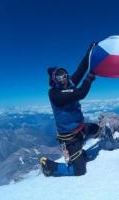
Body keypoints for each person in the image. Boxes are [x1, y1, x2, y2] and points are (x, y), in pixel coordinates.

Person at [40, 42, 103, 177]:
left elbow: (82, 68)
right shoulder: (54, 94)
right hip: (69, 138)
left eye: (64, 74)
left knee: (96, 129)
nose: (63, 78)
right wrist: (89, 79)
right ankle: (49, 166)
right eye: (59, 76)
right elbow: (81, 93)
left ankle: (82, 152)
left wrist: (90, 51)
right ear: (54, 80)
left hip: (80, 129)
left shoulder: (71, 84)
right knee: (79, 171)